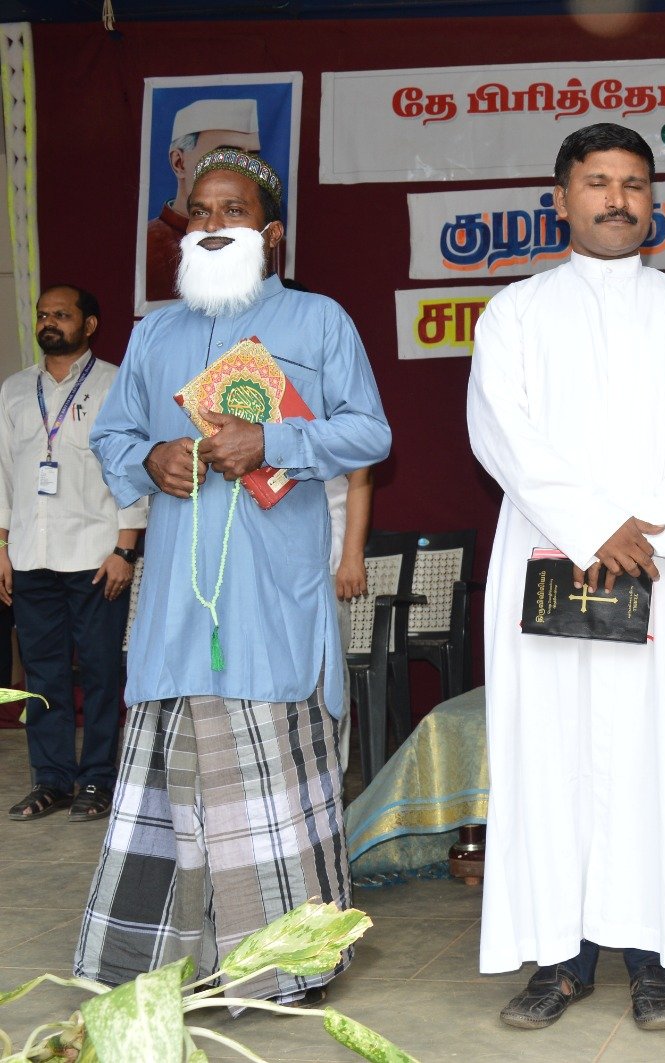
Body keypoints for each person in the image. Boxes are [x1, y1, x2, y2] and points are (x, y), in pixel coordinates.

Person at [467, 122, 665, 1033]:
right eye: (597, 182)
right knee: (552, 759)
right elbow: (501, 430)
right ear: (561, 198)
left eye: (634, 184)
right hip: (552, 562)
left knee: (661, 757)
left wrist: (651, 530)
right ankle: (560, 961)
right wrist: (596, 527)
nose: (617, 199)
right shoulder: (515, 312)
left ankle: (655, 960)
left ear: (653, 203)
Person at [79, 148, 391, 1004]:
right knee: (179, 790)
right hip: (176, 611)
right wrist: (150, 457)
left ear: (272, 233)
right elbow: (110, 439)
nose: (214, 224)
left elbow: (370, 433)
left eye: (235, 210)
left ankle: (288, 968)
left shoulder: (319, 321)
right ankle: (168, 966)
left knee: (274, 794)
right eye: (201, 211)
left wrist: (274, 440)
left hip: (272, 607)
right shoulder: (155, 333)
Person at [2, 285, 148, 823]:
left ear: (89, 325)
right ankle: (52, 780)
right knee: (42, 676)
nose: (49, 322)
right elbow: (4, 475)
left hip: (95, 555)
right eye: (43, 314)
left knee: (101, 672)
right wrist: (2, 548)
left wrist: (125, 549)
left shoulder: (116, 385)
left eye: (61, 315)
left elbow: (133, 471)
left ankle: (97, 781)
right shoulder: (15, 389)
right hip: (30, 555)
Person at [146, 99, 262, 304]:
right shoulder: (147, 246)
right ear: (179, 163)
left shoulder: (269, 242)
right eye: (226, 157)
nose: (242, 171)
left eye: (251, 159)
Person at [326, 466, 373, 776]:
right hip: (256, 555)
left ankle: (332, 781)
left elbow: (362, 474)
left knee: (326, 679)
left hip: (325, 555)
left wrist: (352, 555)